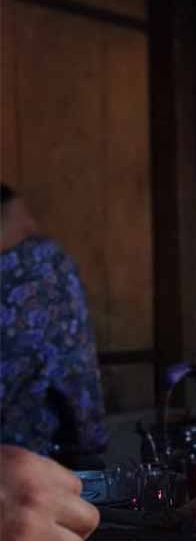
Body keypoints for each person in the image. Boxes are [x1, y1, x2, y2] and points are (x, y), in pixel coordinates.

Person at [0, 184, 112, 468]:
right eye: (24, 226)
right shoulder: (42, 268)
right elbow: (75, 368)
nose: (33, 227)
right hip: (32, 465)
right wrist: (91, 443)